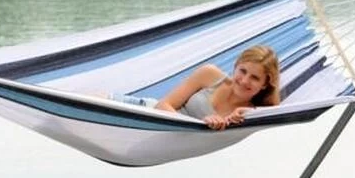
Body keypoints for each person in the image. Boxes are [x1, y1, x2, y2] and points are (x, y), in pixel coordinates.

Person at [110, 45, 280, 131]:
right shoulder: (209, 75)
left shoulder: (249, 115)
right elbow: (163, 105)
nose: (244, 80)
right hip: (146, 113)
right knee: (95, 102)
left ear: (265, 84)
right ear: (235, 67)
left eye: (255, 78)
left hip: (167, 142)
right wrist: (198, 124)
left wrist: (244, 115)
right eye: (242, 71)